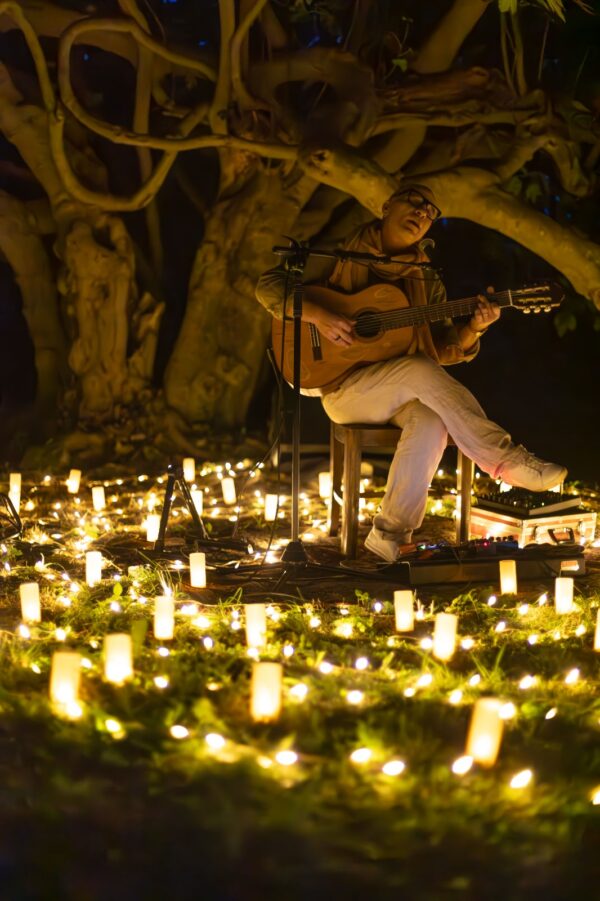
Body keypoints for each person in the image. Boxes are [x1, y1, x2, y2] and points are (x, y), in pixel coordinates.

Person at [255, 184, 567, 562]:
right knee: (418, 369)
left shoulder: (424, 277)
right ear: (387, 206)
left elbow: (442, 348)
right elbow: (268, 287)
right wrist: (321, 316)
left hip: (397, 390)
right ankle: (505, 459)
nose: (422, 213)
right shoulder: (339, 252)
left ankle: (389, 533)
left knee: (431, 419)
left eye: (431, 212)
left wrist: (475, 328)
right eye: (414, 202)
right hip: (342, 389)